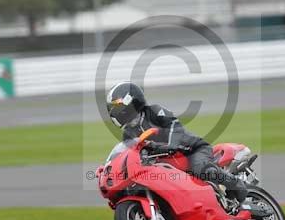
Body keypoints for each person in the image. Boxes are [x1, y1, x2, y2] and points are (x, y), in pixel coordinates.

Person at [106, 81, 248, 202]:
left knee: (201, 170)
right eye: (113, 108)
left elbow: (174, 126)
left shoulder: (154, 111)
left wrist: (171, 145)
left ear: (131, 100)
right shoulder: (128, 134)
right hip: (165, 164)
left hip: (191, 150)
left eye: (117, 106)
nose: (116, 111)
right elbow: (129, 153)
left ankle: (237, 185)